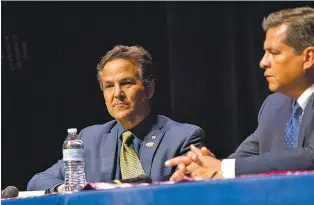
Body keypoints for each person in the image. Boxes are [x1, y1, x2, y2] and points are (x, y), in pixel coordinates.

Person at [27, 45, 205, 192]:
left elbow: (193, 195)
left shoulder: (184, 138)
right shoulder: (88, 139)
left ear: (149, 89)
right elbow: (38, 180)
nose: (117, 94)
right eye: (109, 86)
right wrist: (64, 188)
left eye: (126, 83)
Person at [166, 6, 314, 181]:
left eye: (274, 53)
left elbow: (310, 157)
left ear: (308, 57)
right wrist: (205, 165)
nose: (263, 62)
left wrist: (224, 167)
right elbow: (244, 158)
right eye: (264, 52)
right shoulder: (274, 105)